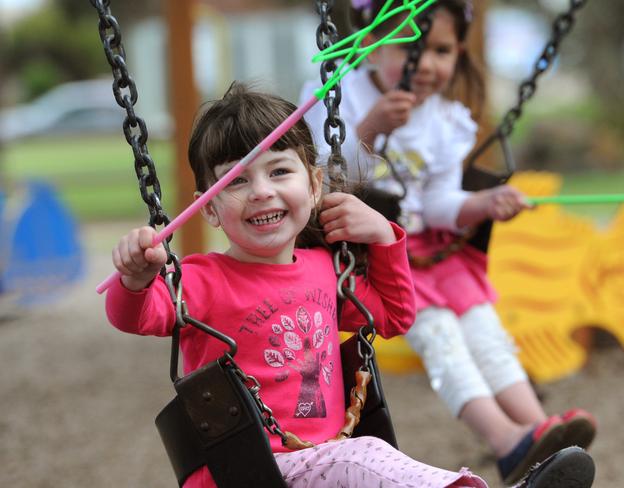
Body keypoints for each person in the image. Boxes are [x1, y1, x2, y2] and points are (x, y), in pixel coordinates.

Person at [105, 82, 489, 488]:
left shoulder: (326, 268)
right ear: (210, 208)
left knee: (356, 459)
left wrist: (382, 237)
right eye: (236, 181)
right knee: (365, 456)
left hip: (324, 461)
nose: (262, 191)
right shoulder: (202, 279)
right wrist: (135, 277)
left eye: (280, 171)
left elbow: (393, 317)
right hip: (243, 468)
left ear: (314, 185)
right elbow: (137, 315)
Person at [300, 0, 597, 485]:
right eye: (412, 47)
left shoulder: (445, 119)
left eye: (442, 51)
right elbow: (324, 183)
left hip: (434, 252)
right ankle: (506, 441)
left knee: (485, 329)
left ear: (459, 53)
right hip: (380, 256)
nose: (429, 64)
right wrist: (372, 128)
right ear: (372, 42)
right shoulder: (339, 97)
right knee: (443, 341)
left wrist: (482, 204)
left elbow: (438, 201)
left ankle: (539, 430)